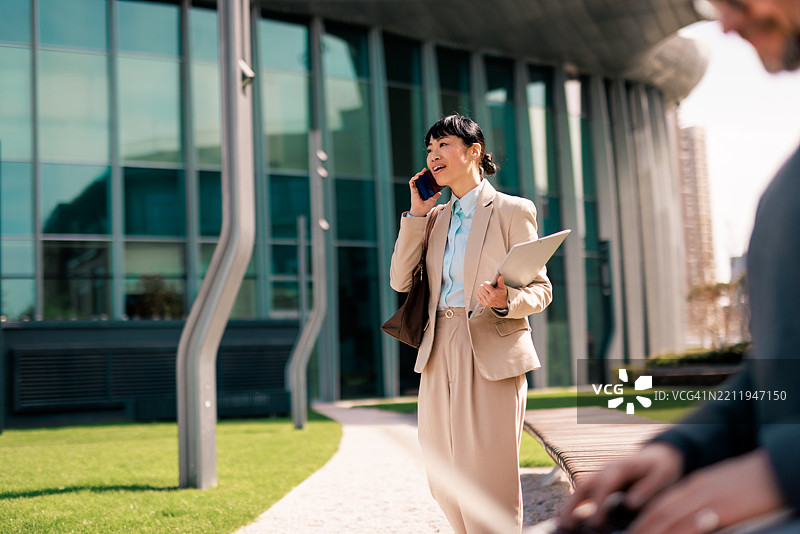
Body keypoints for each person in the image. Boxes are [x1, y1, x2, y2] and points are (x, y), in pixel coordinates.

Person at [558, 1, 800, 533]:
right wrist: (680, 449)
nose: (727, 23)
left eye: (737, 1)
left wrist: (781, 473)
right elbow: (777, 375)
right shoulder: (786, 188)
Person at [389, 114, 552, 533]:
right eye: (429, 149)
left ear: (473, 151)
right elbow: (399, 280)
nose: (434, 155)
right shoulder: (435, 217)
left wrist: (505, 300)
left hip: (490, 347)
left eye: (443, 145)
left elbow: (541, 289)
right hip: (437, 346)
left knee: (489, 477)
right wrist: (415, 213)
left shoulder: (513, 211)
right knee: (442, 473)